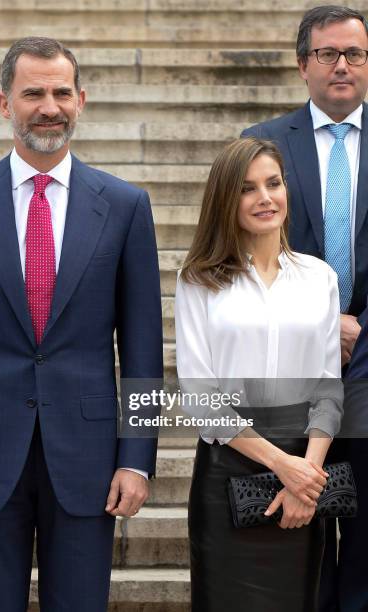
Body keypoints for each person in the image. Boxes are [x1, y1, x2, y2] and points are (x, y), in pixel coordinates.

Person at [0, 36, 163, 612]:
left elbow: (144, 350)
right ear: (4, 104)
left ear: (82, 100)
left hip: (90, 458)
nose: (49, 106)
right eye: (32, 93)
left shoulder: (125, 206)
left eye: (60, 92)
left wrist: (136, 457)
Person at [175, 137, 343, 611]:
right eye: (248, 189)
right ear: (227, 199)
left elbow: (328, 391)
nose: (265, 198)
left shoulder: (320, 278)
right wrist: (283, 467)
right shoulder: (199, 279)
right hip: (228, 469)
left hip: (305, 470)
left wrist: (305, 475)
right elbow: (201, 396)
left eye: (274, 183)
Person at [241, 6, 368, 610]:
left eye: (356, 54)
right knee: (299, 531)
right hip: (289, 371)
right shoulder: (260, 147)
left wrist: (358, 324)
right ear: (302, 65)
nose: (343, 65)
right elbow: (243, 258)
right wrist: (324, 322)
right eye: (328, 54)